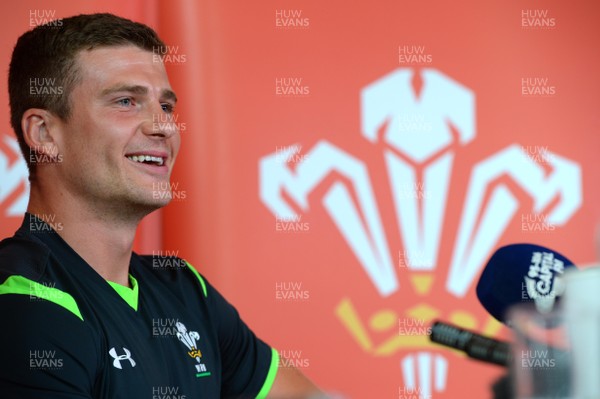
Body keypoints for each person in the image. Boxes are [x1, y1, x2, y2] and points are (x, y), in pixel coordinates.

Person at [0, 13, 323, 398]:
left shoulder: (185, 290)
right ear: (44, 133)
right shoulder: (24, 302)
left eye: (166, 107)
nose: (164, 126)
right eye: (126, 101)